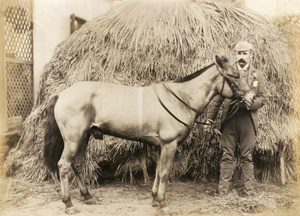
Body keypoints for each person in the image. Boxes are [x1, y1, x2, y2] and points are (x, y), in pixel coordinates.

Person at [204, 41, 269, 195]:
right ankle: (224, 191)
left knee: (246, 156)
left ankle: (249, 190)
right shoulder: (228, 73)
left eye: (244, 53)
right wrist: (209, 120)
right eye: (239, 53)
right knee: (227, 155)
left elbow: (264, 97)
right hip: (229, 120)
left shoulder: (257, 75)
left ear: (251, 55)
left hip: (248, 121)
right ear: (235, 55)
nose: (241, 57)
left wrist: (250, 104)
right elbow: (218, 99)